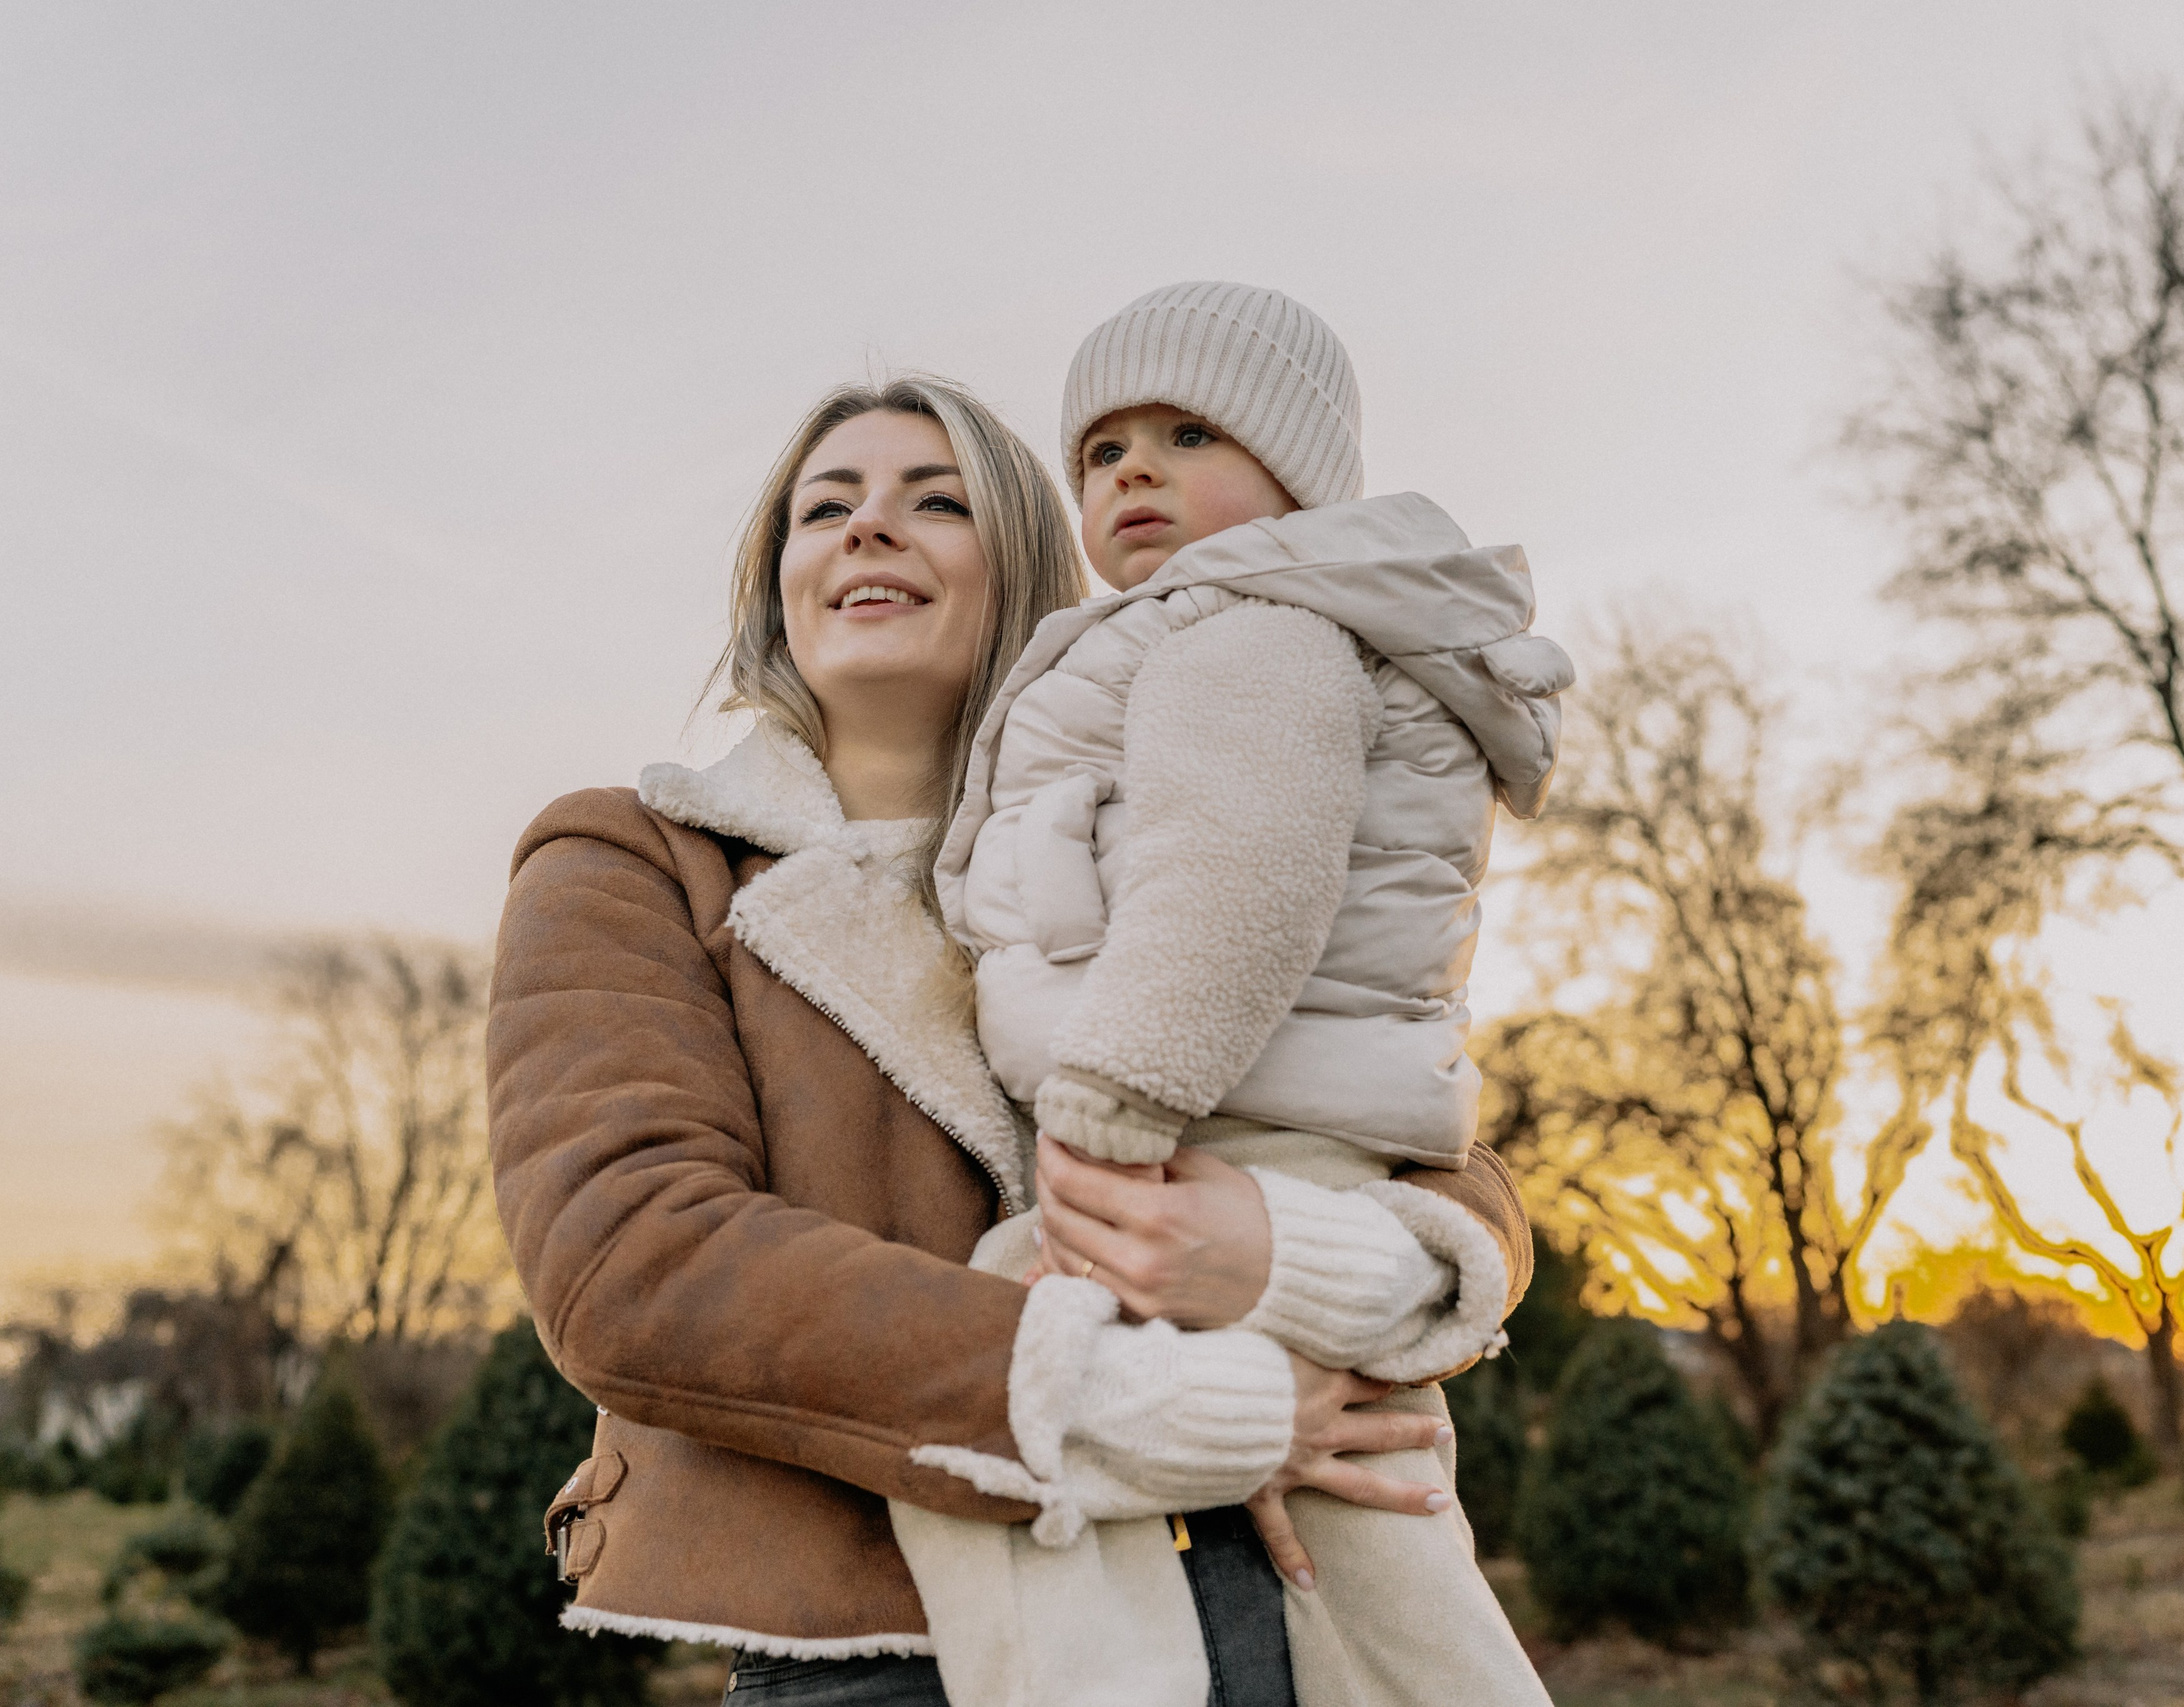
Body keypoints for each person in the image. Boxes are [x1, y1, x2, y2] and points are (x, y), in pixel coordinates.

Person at [486, 374, 1535, 1707]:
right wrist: (1165, 1411)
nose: (871, 528)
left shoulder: (1200, 819)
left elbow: (1431, 1136)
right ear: (777, 585)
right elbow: (632, 1263)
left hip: (1259, 1608)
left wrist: (1285, 1256)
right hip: (875, 1649)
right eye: (826, 508)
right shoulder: (634, 861)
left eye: (937, 501)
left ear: (1030, 570)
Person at [910, 283, 1563, 1707]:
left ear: (1294, 479)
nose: (1132, 470)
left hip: (1223, 1130)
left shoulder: (1250, 633)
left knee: (996, 1378)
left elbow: (1234, 891)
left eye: (1187, 432)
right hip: (1246, 1126)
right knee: (1369, 1544)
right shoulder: (1198, 633)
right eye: (1101, 449)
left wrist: (1106, 1109)